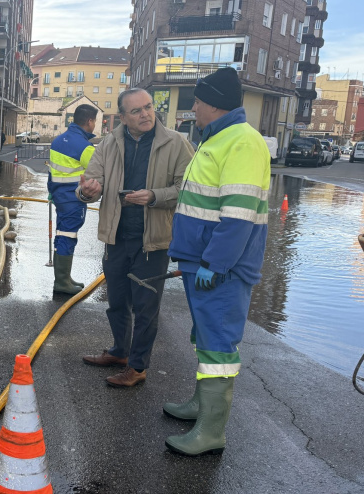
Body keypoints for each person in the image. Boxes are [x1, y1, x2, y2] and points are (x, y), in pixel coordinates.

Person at [163, 67, 270, 456]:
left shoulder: (241, 142)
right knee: (206, 338)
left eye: (196, 100)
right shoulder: (220, 139)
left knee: (219, 346)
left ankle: (211, 431)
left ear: (212, 103)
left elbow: (238, 214)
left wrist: (217, 262)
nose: (193, 106)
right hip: (202, 262)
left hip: (220, 268)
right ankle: (200, 406)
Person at [77, 89, 194, 387]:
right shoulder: (108, 144)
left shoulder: (177, 143)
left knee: (145, 307)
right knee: (116, 300)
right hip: (116, 235)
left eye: (148, 107)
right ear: (123, 117)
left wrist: (155, 196)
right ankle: (120, 352)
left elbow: (190, 189)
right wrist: (86, 192)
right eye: (137, 111)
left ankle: (138, 367)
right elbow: (93, 182)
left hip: (152, 240)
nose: (145, 114)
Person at [47, 104, 99, 295]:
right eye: (95, 122)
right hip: (74, 198)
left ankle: (64, 278)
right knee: (68, 236)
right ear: (89, 121)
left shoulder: (57, 141)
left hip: (60, 197)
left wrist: (51, 191)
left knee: (62, 234)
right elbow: (98, 172)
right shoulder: (85, 147)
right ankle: (62, 282)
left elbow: (52, 171)